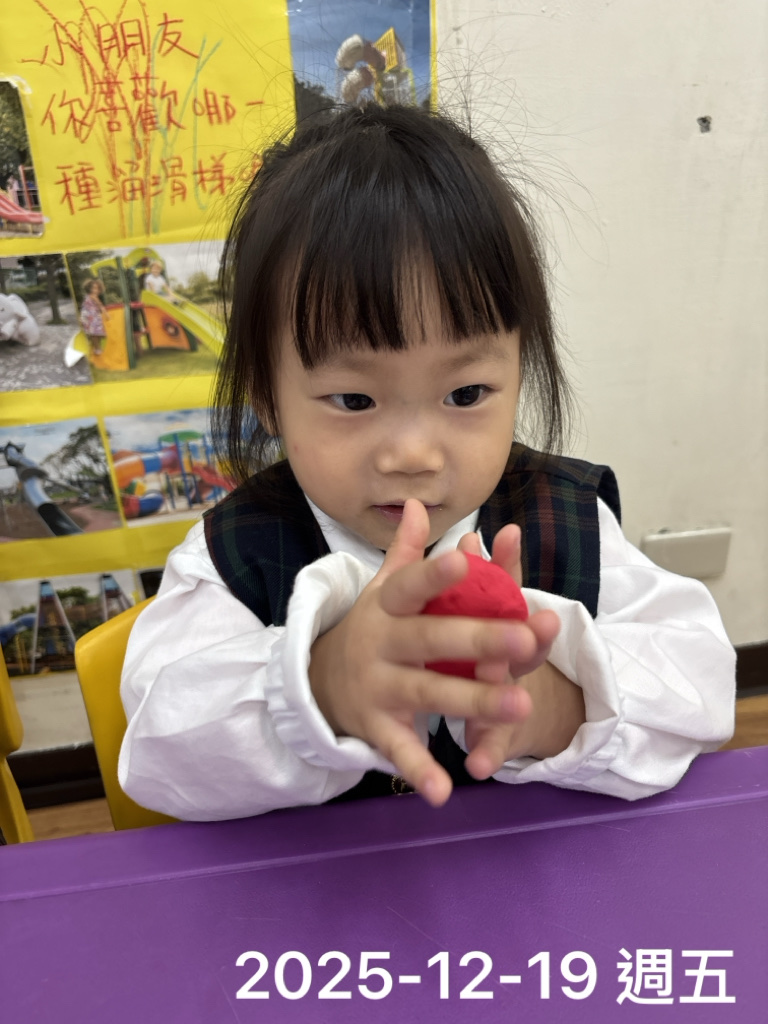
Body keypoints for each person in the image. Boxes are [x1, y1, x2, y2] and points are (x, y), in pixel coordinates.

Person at [119, 105, 735, 821]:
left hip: (530, 879)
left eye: (466, 394)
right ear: (267, 398)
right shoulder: (233, 558)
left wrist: (551, 706)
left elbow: (702, 686)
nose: (414, 454)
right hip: (324, 889)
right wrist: (320, 686)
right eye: (354, 399)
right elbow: (161, 749)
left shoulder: (567, 521)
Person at [79, 278, 108, 357]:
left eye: (97, 288)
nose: (95, 290)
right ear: (89, 288)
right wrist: (106, 314)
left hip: (93, 316)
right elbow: (100, 305)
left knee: (96, 333)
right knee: (94, 333)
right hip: (90, 317)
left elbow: (98, 306)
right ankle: (97, 349)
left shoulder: (91, 296)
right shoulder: (92, 296)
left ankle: (96, 348)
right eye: (93, 288)